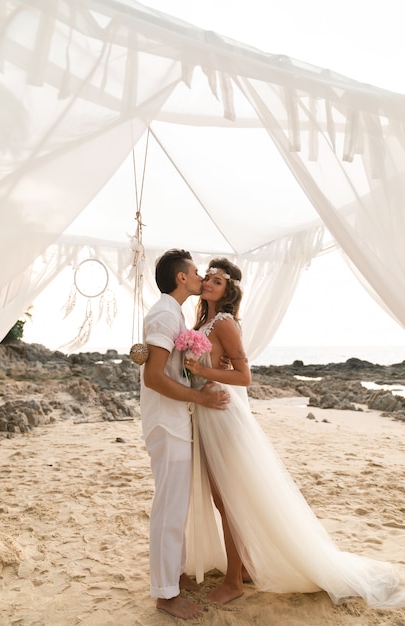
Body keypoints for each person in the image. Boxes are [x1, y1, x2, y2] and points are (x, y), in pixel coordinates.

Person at [184, 257, 405, 608]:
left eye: (217, 280)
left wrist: (202, 372)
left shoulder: (224, 322)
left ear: (228, 291)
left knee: (230, 498)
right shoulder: (204, 321)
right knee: (221, 498)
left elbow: (244, 376)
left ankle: (234, 581)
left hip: (225, 415)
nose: (209, 282)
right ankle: (241, 568)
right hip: (207, 414)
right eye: (208, 277)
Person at [140, 249, 230, 620]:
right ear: (181, 278)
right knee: (170, 507)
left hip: (176, 418)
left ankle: (173, 575)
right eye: (195, 271)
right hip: (166, 421)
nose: (199, 276)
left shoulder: (173, 312)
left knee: (176, 503)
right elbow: (154, 376)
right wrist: (199, 398)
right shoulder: (163, 314)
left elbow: (172, 371)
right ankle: (165, 593)